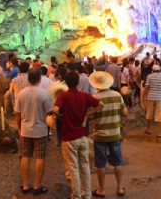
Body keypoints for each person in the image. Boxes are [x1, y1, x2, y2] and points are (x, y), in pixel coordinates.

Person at [53, 71, 103, 199]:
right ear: (78, 82)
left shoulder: (63, 96)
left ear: (66, 83)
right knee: (85, 166)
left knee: (73, 168)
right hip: (83, 136)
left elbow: (55, 109)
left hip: (69, 138)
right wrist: (89, 114)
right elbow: (101, 104)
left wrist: (59, 116)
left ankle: (76, 195)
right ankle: (87, 194)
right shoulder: (84, 96)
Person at [15, 67, 53, 195]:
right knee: (39, 157)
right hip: (40, 130)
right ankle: (37, 186)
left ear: (28, 78)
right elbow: (49, 111)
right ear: (39, 78)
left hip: (25, 130)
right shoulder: (44, 94)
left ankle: (25, 185)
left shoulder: (21, 93)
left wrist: (19, 127)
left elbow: (17, 113)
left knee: (25, 156)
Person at [89, 71, 127, 197]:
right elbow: (125, 113)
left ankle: (101, 189)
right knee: (117, 162)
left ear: (96, 85)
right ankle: (120, 188)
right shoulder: (117, 95)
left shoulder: (94, 98)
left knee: (100, 163)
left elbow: (91, 116)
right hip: (115, 133)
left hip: (99, 134)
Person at [142, 64, 161, 136]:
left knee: (149, 113)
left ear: (152, 71)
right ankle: (159, 133)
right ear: (159, 70)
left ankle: (148, 129)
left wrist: (143, 95)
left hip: (150, 97)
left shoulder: (149, 76)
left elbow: (147, 87)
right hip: (159, 98)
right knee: (159, 115)